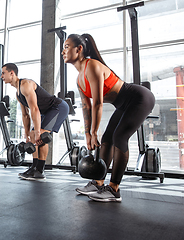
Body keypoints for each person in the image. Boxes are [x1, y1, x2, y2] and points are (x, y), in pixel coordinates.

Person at [62, 33, 155, 202]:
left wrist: (94, 131)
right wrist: (88, 134)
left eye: (66, 47)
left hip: (139, 98)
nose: (63, 51)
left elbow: (98, 103)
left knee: (119, 136)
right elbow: (86, 107)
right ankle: (98, 182)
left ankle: (114, 189)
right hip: (123, 104)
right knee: (107, 139)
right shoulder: (78, 79)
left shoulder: (92, 66)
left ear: (79, 49)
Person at [1, 63, 69, 180]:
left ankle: (40, 170)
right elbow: (25, 115)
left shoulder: (25, 84)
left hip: (57, 107)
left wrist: (38, 132)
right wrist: (27, 134)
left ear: (12, 73)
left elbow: (34, 109)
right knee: (33, 135)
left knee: (41, 135)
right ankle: (34, 167)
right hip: (45, 112)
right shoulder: (18, 94)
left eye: (3, 73)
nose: (1, 76)